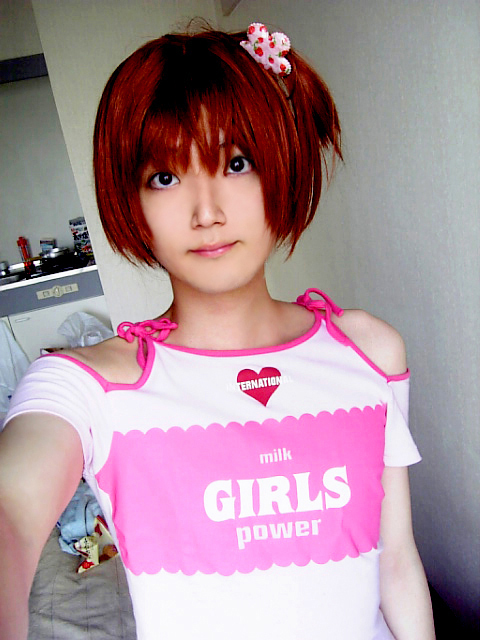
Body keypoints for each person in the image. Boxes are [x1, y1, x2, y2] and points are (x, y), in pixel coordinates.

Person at [0, 22, 435, 640]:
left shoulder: (368, 351)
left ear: (282, 165)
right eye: (165, 177)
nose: (207, 212)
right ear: (132, 200)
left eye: (236, 163)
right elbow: (12, 509)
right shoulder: (90, 387)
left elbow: (395, 561)